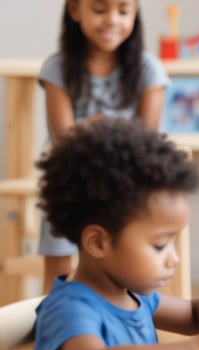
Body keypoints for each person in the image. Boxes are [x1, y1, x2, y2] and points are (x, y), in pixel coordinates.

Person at [33, 119, 199, 350]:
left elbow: (192, 314)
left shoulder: (132, 293)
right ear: (98, 243)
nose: (174, 259)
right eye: (159, 246)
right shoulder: (70, 309)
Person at [37, 0, 170, 293]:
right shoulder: (57, 68)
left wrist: (91, 126)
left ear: (135, 14)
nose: (112, 20)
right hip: (69, 179)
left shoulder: (149, 69)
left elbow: (145, 141)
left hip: (126, 183)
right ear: (74, 10)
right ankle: (54, 322)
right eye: (99, 10)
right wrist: (117, 129)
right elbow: (64, 139)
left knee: (126, 261)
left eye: (123, 11)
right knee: (57, 269)